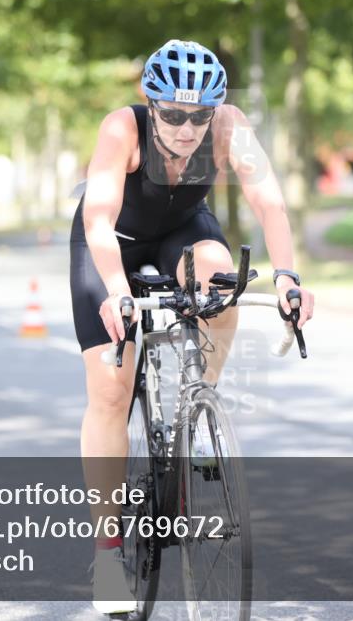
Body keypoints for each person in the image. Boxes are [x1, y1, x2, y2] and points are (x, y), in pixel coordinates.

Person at [69, 38, 315, 614]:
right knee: (111, 392)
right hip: (111, 244)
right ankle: (107, 555)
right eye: (175, 115)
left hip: (183, 229)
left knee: (222, 280)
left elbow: (270, 203)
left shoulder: (229, 127)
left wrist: (287, 278)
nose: (187, 129)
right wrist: (117, 292)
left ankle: (198, 400)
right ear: (152, 104)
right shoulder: (122, 129)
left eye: (199, 117)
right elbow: (98, 217)